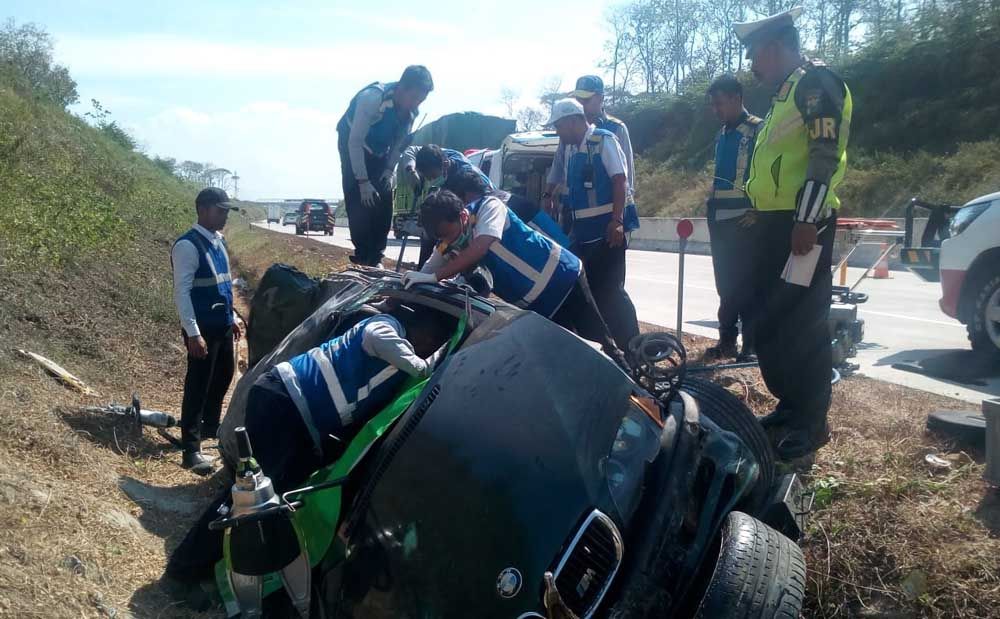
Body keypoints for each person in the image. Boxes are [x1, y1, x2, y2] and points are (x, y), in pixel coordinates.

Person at [164, 308, 452, 590]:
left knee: (276, 496)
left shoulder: (393, 368)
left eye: (434, 346)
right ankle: (183, 570)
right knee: (251, 497)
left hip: (298, 419)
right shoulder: (384, 328)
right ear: (418, 329)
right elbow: (416, 365)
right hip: (282, 402)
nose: (428, 348)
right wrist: (440, 358)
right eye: (431, 340)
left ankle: (231, 570)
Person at [735, 7, 853, 459]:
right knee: (770, 321)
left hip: (802, 223)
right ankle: (791, 406)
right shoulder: (785, 92)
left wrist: (806, 218)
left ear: (775, 46)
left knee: (802, 325)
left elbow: (825, 153)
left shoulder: (815, 83)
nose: (752, 64)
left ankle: (810, 422)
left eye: (754, 54)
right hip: (776, 222)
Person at [401, 181, 623, 362]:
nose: (448, 241)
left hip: (563, 278)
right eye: (442, 238)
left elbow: (483, 244)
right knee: (572, 352)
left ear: (462, 216)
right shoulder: (447, 244)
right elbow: (427, 269)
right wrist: (392, 298)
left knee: (599, 339)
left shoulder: (489, 207)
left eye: (449, 233)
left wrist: (435, 277)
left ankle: (639, 395)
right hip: (539, 303)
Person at [547, 98, 640, 351]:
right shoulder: (571, 150)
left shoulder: (603, 140)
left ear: (572, 121)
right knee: (592, 291)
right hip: (584, 235)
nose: (557, 132)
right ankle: (608, 345)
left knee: (611, 291)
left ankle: (635, 346)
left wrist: (617, 221)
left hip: (607, 231)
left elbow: (619, 180)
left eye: (558, 126)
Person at [171, 187, 241, 476]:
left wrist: (233, 315)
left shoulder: (218, 241)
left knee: (224, 375)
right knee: (198, 386)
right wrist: (193, 333)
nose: (224, 215)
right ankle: (190, 449)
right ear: (203, 209)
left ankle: (209, 431)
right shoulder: (188, 246)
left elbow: (223, 285)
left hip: (223, 324)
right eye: (220, 210)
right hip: (203, 329)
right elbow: (182, 292)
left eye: (226, 210)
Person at [337, 65, 434, 267]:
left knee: (383, 196)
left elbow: (399, 144)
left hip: (380, 149)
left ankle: (376, 256)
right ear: (401, 88)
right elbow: (354, 141)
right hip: (352, 142)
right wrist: (363, 181)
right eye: (414, 98)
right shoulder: (372, 98)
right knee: (359, 199)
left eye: (421, 100)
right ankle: (364, 255)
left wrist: (389, 170)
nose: (416, 104)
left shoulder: (411, 112)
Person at [705, 74, 762, 360]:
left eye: (720, 104)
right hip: (720, 218)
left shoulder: (756, 130)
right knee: (725, 285)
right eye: (713, 105)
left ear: (737, 99)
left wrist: (757, 210)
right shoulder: (722, 133)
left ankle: (750, 346)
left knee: (747, 286)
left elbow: (764, 175)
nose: (716, 110)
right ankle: (726, 340)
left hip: (745, 219)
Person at [543, 75, 639, 235]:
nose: (580, 104)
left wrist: (619, 219)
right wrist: (548, 194)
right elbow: (558, 166)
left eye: (585, 100)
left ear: (601, 98)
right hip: (572, 212)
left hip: (606, 217)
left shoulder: (615, 129)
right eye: (577, 99)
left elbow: (625, 178)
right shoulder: (568, 132)